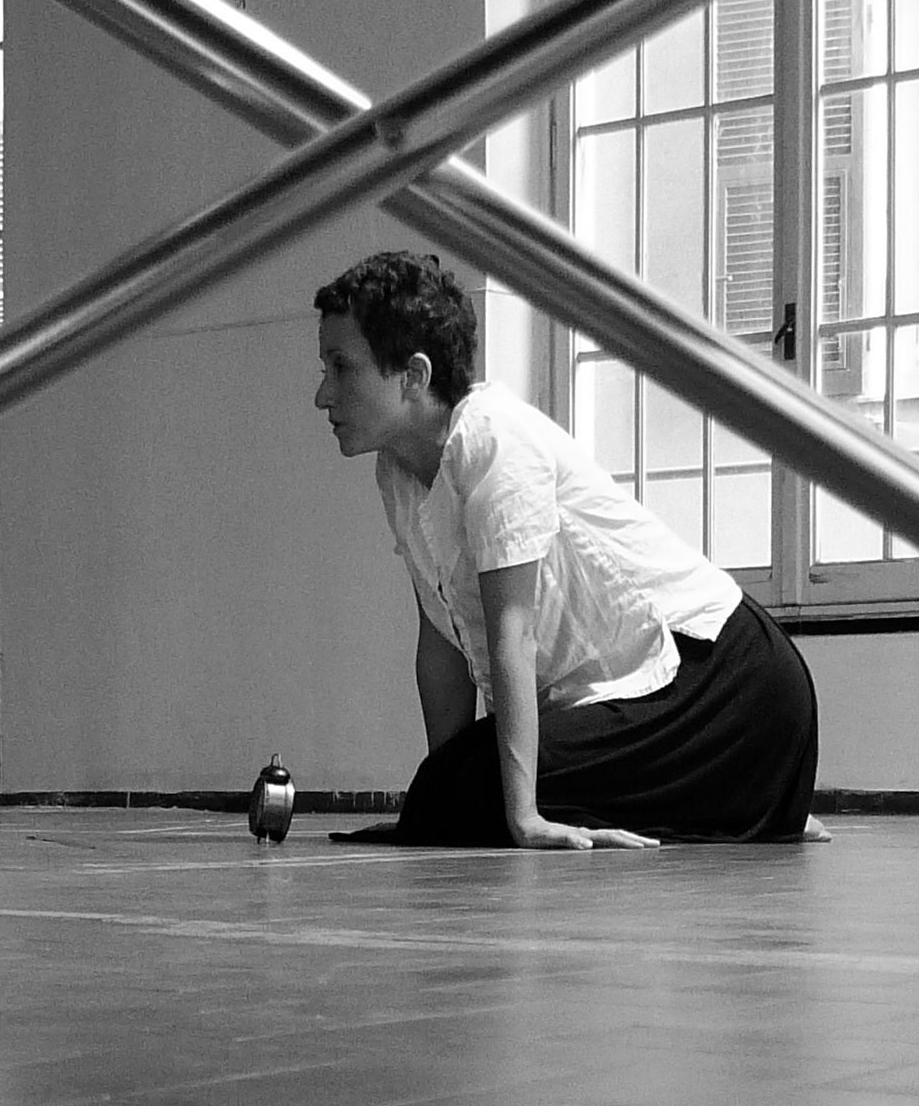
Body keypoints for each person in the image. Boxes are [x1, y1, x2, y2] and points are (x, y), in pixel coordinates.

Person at [308, 250, 822, 849]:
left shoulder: (493, 440)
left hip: (727, 686)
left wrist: (522, 818)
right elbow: (440, 641)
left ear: (414, 376)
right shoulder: (397, 472)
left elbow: (515, 633)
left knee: (477, 791)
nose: (323, 395)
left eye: (341, 368)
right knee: (452, 789)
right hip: (635, 694)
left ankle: (750, 800)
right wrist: (438, 798)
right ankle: (741, 810)